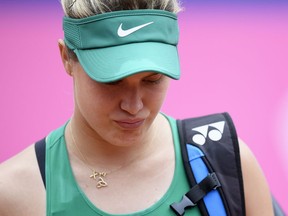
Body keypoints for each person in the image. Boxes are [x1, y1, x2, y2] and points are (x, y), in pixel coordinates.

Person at [0, 0, 274, 215]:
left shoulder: (227, 160)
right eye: (111, 80)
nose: (134, 106)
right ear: (66, 58)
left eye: (152, 79)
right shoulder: (12, 194)